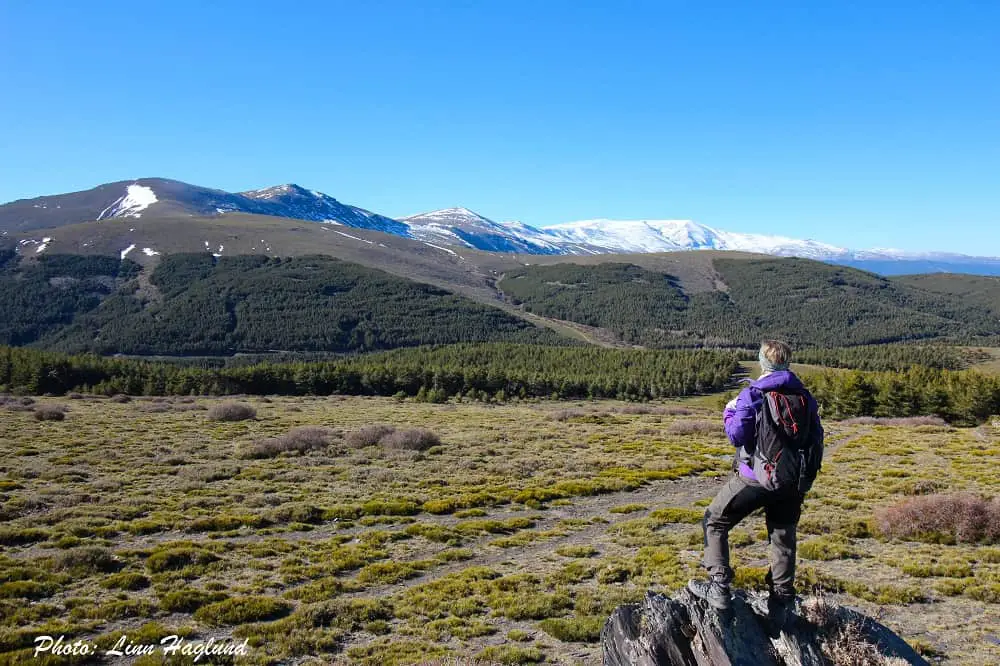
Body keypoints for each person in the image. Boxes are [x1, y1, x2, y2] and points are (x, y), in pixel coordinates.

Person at [688, 340, 823, 621]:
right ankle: (782, 604)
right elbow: (816, 438)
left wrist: (729, 413)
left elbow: (736, 436)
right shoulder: (805, 396)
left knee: (714, 520)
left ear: (762, 362)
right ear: (787, 362)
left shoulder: (753, 394)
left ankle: (719, 586)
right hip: (791, 481)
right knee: (783, 537)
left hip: (755, 478)